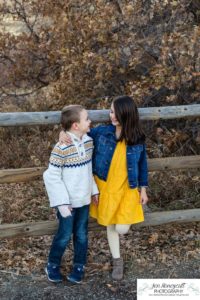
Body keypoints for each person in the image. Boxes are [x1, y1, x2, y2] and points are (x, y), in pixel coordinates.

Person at [59, 96, 148, 280]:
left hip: (127, 189)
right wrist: (64, 133)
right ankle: (117, 260)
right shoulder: (102, 132)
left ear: (126, 113)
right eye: (110, 111)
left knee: (122, 227)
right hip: (105, 187)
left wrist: (144, 188)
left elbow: (142, 164)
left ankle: (117, 255)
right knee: (110, 223)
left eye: (114, 112)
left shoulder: (137, 138)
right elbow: (79, 135)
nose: (111, 115)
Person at [43, 105, 99, 284]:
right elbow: (51, 176)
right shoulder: (61, 147)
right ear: (76, 125)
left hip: (83, 199)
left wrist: (94, 190)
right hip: (66, 203)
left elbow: (88, 170)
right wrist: (62, 203)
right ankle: (52, 264)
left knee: (81, 234)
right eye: (87, 119)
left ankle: (79, 265)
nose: (90, 121)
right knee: (65, 234)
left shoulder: (89, 142)